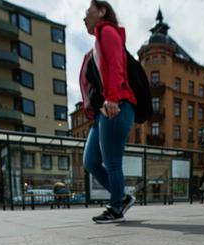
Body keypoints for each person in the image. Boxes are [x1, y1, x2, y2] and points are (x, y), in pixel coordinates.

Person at [81, 0, 137, 224]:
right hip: (102, 112)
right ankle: (122, 197)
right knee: (90, 161)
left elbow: (116, 64)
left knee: (112, 161)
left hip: (117, 103)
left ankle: (116, 207)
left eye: (88, 12)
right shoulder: (94, 46)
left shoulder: (107, 31)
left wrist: (113, 97)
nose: (85, 17)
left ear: (102, 11)